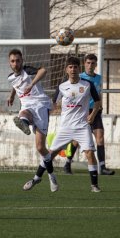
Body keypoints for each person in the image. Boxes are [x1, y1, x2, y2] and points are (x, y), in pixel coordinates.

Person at [6, 49, 58, 192]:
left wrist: (32, 84)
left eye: (17, 60)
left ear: (22, 61)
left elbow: (43, 71)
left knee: (41, 148)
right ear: (9, 63)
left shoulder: (27, 71)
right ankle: (24, 123)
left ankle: (51, 176)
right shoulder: (11, 77)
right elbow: (15, 85)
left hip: (41, 106)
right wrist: (11, 96)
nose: (15, 63)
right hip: (27, 105)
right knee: (23, 113)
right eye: (12, 61)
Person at [49, 56, 102, 192]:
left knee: (90, 152)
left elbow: (97, 101)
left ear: (79, 69)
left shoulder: (87, 85)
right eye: (70, 67)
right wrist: (49, 112)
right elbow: (53, 103)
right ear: (66, 69)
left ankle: (94, 185)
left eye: (75, 67)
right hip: (66, 126)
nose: (73, 69)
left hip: (82, 124)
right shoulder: (62, 86)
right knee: (51, 153)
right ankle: (40, 176)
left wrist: (92, 114)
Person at [61, 54, 115, 176]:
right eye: (88, 63)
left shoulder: (99, 78)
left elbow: (98, 94)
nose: (90, 65)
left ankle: (102, 167)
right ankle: (68, 163)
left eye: (93, 63)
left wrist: (98, 106)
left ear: (96, 65)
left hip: (95, 111)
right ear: (84, 64)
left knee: (100, 137)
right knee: (76, 140)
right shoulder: (79, 77)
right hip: (81, 112)